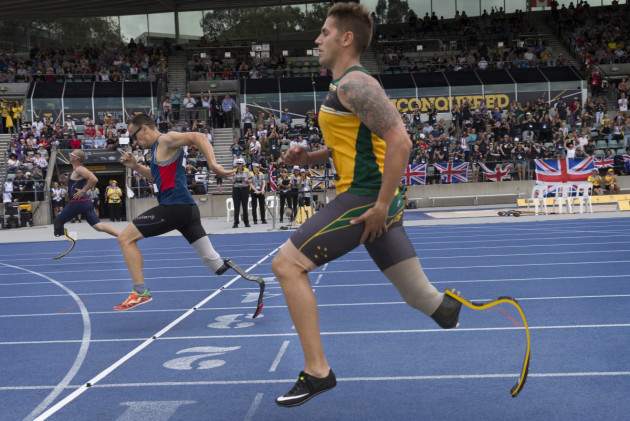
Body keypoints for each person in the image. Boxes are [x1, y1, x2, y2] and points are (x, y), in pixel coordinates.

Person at [271, 3, 463, 407]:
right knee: (427, 301)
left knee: (286, 265)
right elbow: (358, 144)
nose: (317, 39)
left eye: (324, 32)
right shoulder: (344, 87)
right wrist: (310, 157)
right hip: (375, 201)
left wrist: (380, 204)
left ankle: (317, 372)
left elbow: (401, 142)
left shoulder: (355, 85)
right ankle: (453, 308)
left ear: (346, 38)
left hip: (365, 199)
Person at [115, 113, 236, 311]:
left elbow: (199, 137)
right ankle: (255, 279)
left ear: (144, 127)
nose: (135, 142)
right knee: (217, 265)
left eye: (134, 136)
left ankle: (140, 291)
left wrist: (213, 165)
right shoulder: (157, 149)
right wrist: (136, 166)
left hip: (174, 208)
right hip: (187, 211)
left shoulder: (165, 139)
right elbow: (155, 177)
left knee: (125, 239)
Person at [53, 150, 119, 239]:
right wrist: (66, 179)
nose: (70, 155)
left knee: (58, 222)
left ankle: (62, 246)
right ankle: (122, 235)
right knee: (99, 226)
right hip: (85, 202)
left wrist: (83, 191)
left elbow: (94, 179)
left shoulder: (80, 169)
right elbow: (76, 182)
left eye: (71, 154)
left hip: (78, 202)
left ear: (76, 158)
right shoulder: (75, 170)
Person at [229, 158, 252, 228]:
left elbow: (250, 180)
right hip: (236, 189)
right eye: (238, 164)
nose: (239, 165)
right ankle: (236, 222)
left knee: (245, 206)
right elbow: (231, 181)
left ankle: (246, 222)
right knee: (236, 207)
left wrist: (245, 180)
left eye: (240, 164)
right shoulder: (234, 171)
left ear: (243, 164)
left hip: (244, 189)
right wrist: (235, 180)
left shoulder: (247, 171)